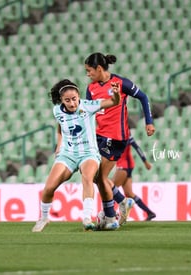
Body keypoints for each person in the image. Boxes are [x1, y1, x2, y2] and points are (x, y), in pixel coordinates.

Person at [32, 79, 121, 232]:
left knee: (87, 178)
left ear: (78, 96)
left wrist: (117, 94)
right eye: (67, 100)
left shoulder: (88, 105)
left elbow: (113, 102)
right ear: (61, 100)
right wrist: (59, 144)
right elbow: (60, 126)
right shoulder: (57, 110)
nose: (72, 103)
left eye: (74, 99)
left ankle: (87, 218)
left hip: (89, 153)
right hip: (67, 154)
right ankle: (44, 218)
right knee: (48, 188)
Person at [84, 52, 155, 226]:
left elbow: (143, 97)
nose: (87, 74)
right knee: (96, 177)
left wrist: (149, 122)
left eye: (89, 71)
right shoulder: (91, 88)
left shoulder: (120, 83)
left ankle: (110, 215)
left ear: (99, 69)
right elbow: (88, 111)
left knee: (99, 176)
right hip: (99, 136)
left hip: (116, 137)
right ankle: (122, 203)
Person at [112, 136, 157, 221]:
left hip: (123, 166)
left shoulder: (122, 135)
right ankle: (150, 213)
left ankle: (111, 215)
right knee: (129, 193)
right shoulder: (121, 134)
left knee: (110, 188)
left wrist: (145, 162)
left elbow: (137, 148)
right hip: (128, 167)